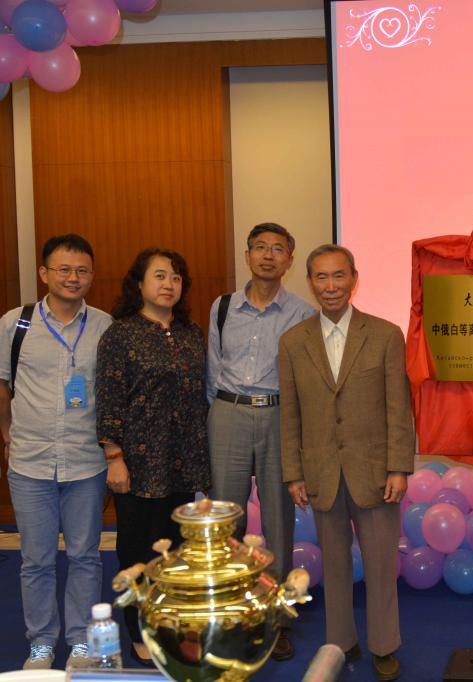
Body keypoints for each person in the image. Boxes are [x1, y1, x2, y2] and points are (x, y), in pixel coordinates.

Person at [280, 244, 414, 681]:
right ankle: (341, 640)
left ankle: (384, 645)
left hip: (374, 472)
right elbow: (290, 414)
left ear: (354, 279)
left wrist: (398, 467)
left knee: (380, 566)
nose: (331, 285)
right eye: (321, 277)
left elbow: (399, 407)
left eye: (339, 275)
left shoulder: (385, 334)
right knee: (334, 567)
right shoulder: (293, 342)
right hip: (321, 472)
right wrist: (294, 473)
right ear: (310, 282)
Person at [0, 234, 113, 670]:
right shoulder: (15, 324)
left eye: (82, 270)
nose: (73, 277)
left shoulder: (105, 326)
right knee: (36, 559)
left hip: (86, 462)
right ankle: (40, 642)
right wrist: (7, 434)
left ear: (91, 276)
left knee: (85, 556)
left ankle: (80, 641)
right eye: (64, 269)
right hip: (30, 461)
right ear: (44, 273)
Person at [95, 248, 211, 666]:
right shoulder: (120, 334)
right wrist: (114, 455)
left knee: (177, 555)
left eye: (176, 277)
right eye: (160, 276)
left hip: (184, 462)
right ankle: (139, 630)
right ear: (139, 283)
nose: (169, 284)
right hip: (139, 464)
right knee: (138, 553)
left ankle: (172, 629)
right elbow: (108, 396)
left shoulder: (191, 332)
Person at [206, 223, 314, 661]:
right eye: (260, 248)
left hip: (277, 415)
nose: (268, 256)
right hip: (227, 412)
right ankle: (230, 615)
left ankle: (276, 620)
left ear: (290, 260)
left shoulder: (302, 313)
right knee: (225, 523)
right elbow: (213, 368)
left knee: (278, 523)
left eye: (278, 249)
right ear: (247, 255)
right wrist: (215, 417)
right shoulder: (222, 307)